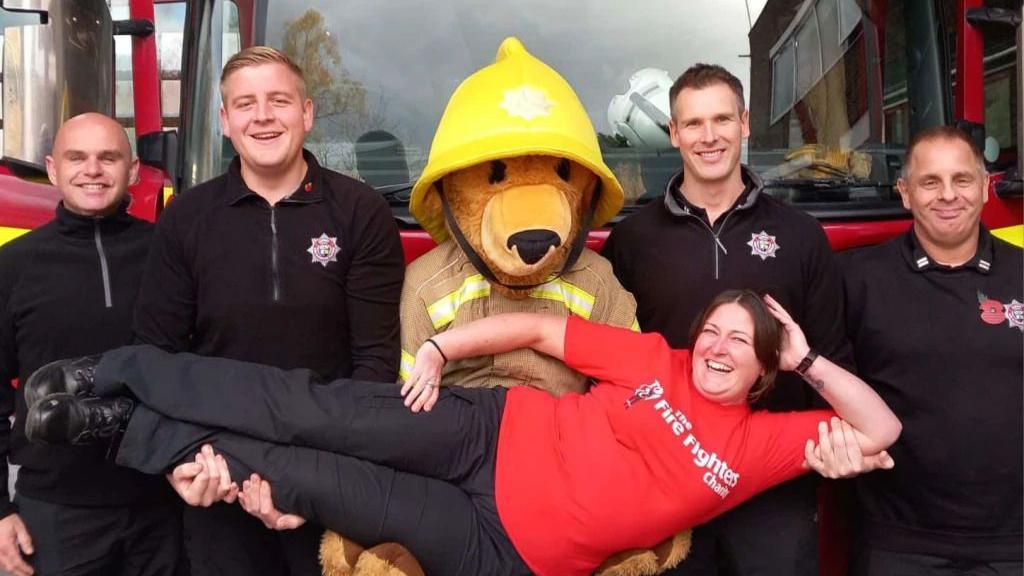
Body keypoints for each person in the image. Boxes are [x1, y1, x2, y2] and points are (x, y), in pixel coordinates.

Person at [24, 291, 899, 576]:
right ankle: (121, 372)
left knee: (307, 478)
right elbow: (532, 328)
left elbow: (881, 428)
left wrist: (811, 356)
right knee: (310, 408)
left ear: (765, 370)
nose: (714, 347)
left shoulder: (764, 446)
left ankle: (119, 430)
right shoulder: (653, 359)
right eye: (711, 331)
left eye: (739, 344)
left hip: (500, 546)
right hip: (483, 431)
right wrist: (440, 347)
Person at [132, 46, 405, 575]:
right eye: (245, 103)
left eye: (279, 100)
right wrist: (182, 462)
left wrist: (319, 484)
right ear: (225, 120)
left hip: (331, 472)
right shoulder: (186, 217)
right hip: (218, 473)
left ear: (306, 113)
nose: (262, 115)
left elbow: (373, 364)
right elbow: (156, 359)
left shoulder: (361, 213)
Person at [602, 63, 851, 575]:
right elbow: (612, 365)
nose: (709, 137)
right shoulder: (631, 242)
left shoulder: (801, 236)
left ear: (744, 123)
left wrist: (832, 454)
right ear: (672, 133)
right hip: (664, 482)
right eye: (692, 124)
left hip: (772, 485)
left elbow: (831, 358)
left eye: (721, 120)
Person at [0, 113, 180, 576]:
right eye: (76, 158)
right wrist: (0, 510)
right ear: (53, 169)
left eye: (108, 157)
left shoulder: (170, 255)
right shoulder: (13, 265)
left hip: (164, 504)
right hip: (56, 513)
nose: (93, 170)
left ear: (134, 170)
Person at [841, 126, 1022, 575]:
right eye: (929, 182)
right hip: (897, 544)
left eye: (961, 180)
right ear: (905, 193)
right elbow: (828, 396)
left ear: (984, 188)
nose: (947, 195)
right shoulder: (856, 280)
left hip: (1015, 544)